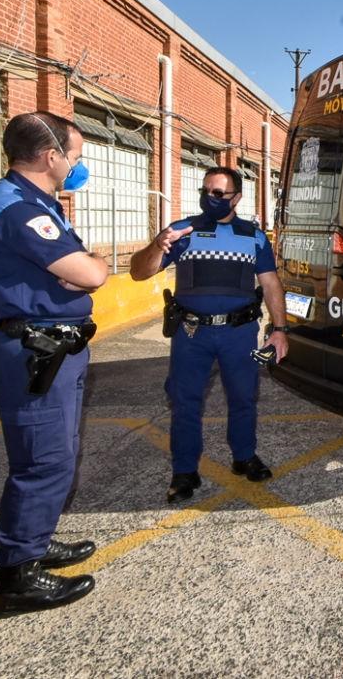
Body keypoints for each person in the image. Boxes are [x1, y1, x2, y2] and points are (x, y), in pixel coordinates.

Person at [0, 111, 109, 618]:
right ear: (51, 157)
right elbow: (89, 272)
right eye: (75, 157)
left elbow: (77, 273)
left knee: (58, 453)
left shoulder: (36, 204)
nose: (77, 165)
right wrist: (92, 268)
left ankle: (35, 540)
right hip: (32, 350)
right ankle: (16, 580)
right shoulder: (20, 211)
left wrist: (82, 272)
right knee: (42, 460)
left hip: (51, 347)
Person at [130, 166, 289, 504]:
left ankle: (244, 457)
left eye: (219, 193)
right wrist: (158, 246)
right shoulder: (182, 231)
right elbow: (138, 272)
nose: (210, 198)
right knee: (185, 403)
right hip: (192, 334)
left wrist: (279, 329)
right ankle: (184, 471)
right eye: (206, 191)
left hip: (239, 333)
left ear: (237, 198)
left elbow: (271, 283)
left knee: (244, 398)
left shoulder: (254, 236)